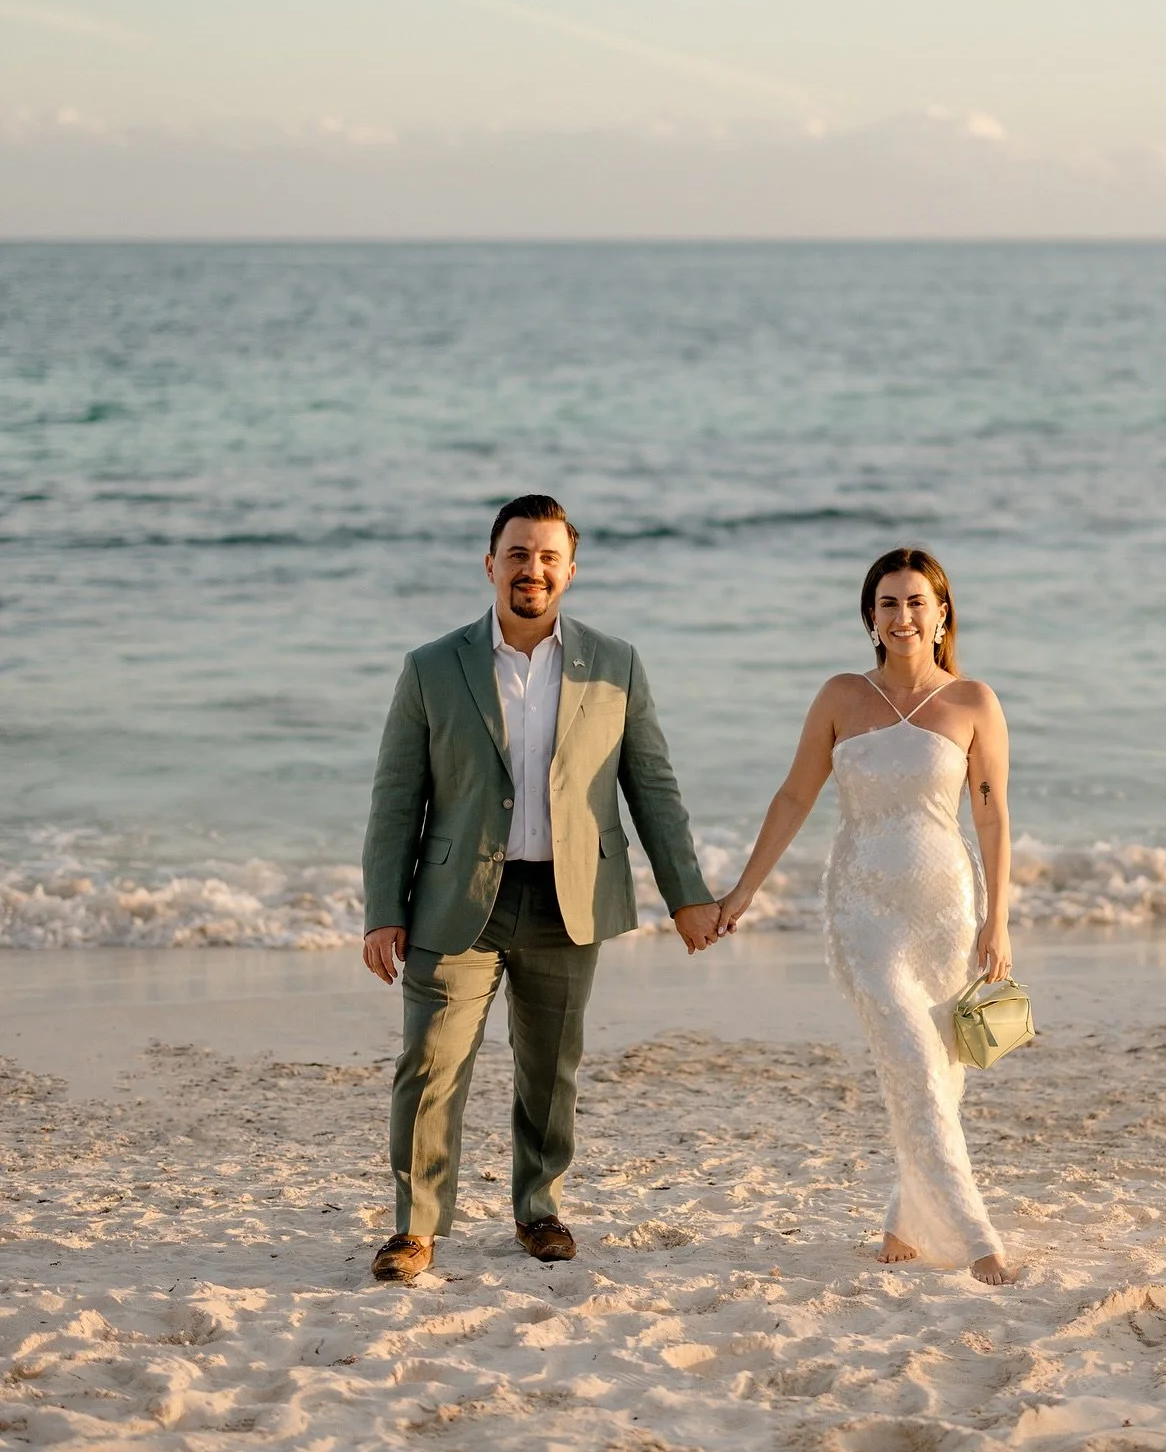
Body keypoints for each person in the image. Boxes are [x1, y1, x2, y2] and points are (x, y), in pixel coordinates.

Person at [361, 493, 719, 1280]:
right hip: (454, 900)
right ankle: (414, 1226)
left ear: (571, 569)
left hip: (569, 898)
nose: (533, 568)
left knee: (551, 1065)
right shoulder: (431, 666)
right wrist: (383, 909)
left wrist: (686, 892)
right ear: (491, 564)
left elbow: (651, 786)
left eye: (549, 555)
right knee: (429, 1061)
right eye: (519, 553)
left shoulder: (614, 663)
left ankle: (540, 1208)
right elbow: (396, 797)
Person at [714, 547, 1016, 1284]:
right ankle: (976, 1236)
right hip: (862, 911)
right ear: (870, 617)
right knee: (912, 1058)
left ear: (941, 613)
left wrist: (997, 921)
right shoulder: (841, 696)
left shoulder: (974, 700)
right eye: (888, 602)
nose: (903, 615)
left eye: (917, 601)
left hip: (947, 908)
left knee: (941, 1074)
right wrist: (742, 892)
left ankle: (903, 1220)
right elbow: (794, 797)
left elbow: (993, 816)